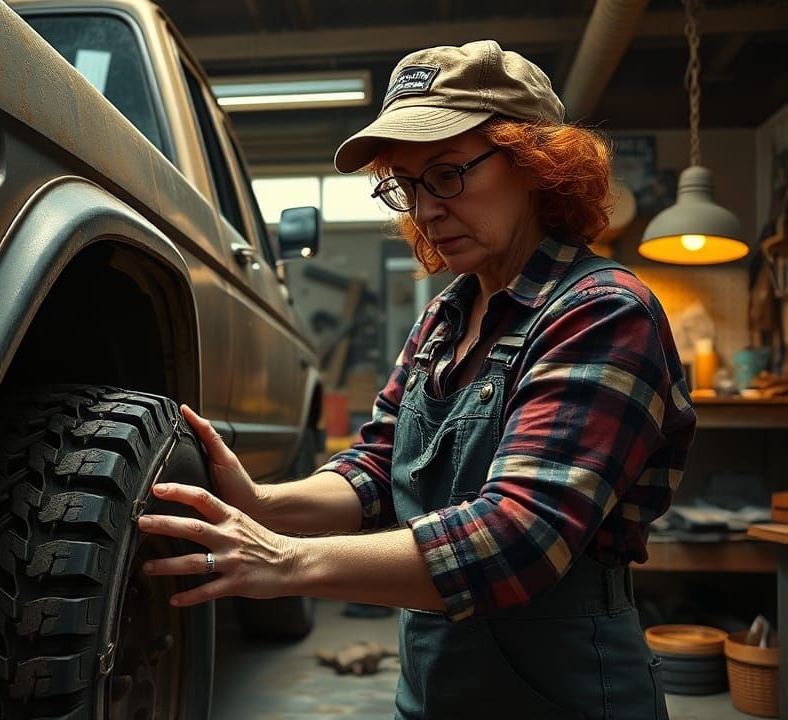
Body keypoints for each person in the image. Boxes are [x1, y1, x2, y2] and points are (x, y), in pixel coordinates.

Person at [137, 40, 695, 719]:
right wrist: (265, 504)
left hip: (566, 695)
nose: (425, 210)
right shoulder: (446, 315)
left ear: (536, 164)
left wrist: (289, 562)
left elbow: (518, 537)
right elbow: (377, 471)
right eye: (405, 183)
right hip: (433, 692)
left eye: (449, 174)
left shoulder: (602, 311)